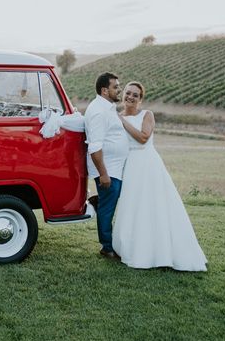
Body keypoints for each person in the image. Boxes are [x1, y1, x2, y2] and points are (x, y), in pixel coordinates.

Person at [112, 82, 207, 271]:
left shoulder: (146, 115)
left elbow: (143, 138)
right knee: (132, 206)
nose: (130, 97)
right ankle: (131, 246)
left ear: (141, 99)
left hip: (147, 164)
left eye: (135, 95)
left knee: (154, 205)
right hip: (129, 165)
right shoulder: (116, 116)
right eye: (128, 93)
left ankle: (161, 251)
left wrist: (121, 120)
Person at [84, 72, 129, 259]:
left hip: (114, 166)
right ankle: (107, 247)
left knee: (109, 203)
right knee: (108, 208)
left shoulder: (107, 107)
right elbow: (95, 146)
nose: (119, 90)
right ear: (104, 90)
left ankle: (97, 201)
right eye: (115, 87)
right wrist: (103, 174)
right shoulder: (98, 111)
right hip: (108, 168)